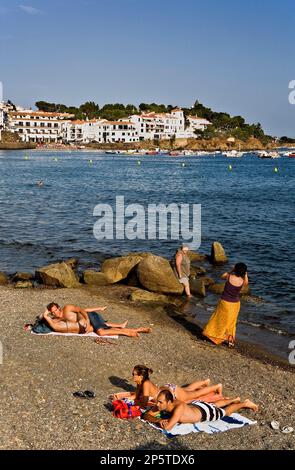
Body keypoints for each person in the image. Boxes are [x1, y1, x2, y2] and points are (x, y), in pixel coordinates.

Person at [143, 389, 258, 431]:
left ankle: (244, 403)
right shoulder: (162, 404)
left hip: (203, 413)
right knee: (214, 405)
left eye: (160, 402)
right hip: (196, 405)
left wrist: (156, 420)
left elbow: (168, 427)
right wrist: (157, 421)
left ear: (169, 402)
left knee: (225, 412)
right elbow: (146, 415)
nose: (157, 404)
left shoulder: (179, 407)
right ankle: (234, 399)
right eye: (158, 401)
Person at [110, 365, 223, 407]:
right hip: (167, 389)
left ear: (140, 376)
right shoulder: (141, 382)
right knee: (188, 389)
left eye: (134, 374)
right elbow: (136, 396)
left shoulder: (145, 384)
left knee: (195, 394)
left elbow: (143, 403)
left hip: (171, 393)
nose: (132, 376)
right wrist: (122, 398)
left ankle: (216, 386)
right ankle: (205, 382)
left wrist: (126, 402)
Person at [202, 263, 248, 347]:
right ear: (243, 272)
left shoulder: (229, 276)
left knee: (219, 318)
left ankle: (214, 335)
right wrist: (245, 274)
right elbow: (246, 283)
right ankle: (230, 340)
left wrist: (232, 270)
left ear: (235, 269)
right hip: (235, 304)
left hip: (225, 302)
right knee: (232, 322)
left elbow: (222, 276)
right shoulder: (242, 281)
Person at [42, 302, 152, 337]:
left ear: (59, 308)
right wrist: (45, 315)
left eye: (55, 310)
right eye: (52, 312)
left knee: (101, 332)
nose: (55, 313)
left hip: (90, 317)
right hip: (88, 321)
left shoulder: (67, 308)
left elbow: (83, 310)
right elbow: (46, 320)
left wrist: (88, 320)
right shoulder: (58, 319)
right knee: (104, 327)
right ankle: (137, 329)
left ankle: (129, 332)